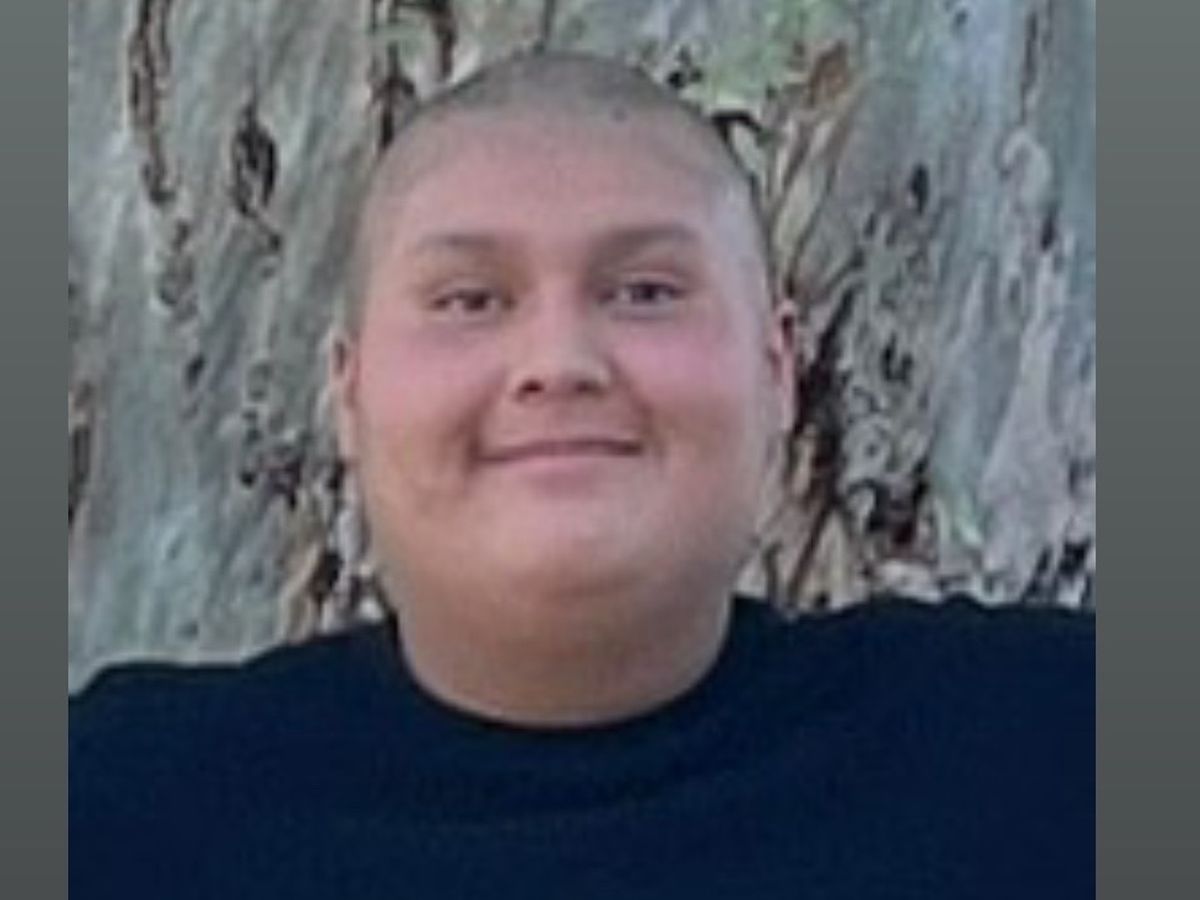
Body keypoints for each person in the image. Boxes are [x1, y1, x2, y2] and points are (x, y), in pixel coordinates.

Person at [70, 52, 1094, 899]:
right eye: (470, 299)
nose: (558, 361)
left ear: (777, 368)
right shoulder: (114, 813)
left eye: (645, 291)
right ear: (350, 389)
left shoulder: (1051, 750)